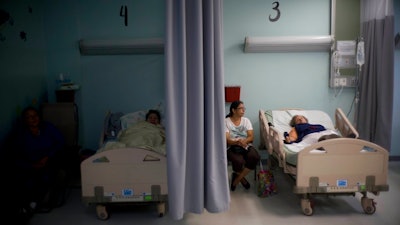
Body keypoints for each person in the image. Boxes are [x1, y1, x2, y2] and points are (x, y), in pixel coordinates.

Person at [13, 106, 67, 213]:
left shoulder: (47, 127)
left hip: (49, 159)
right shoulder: (21, 135)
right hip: (31, 164)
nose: (33, 118)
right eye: (29, 117)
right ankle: (28, 204)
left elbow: (60, 142)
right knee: (27, 178)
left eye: (35, 115)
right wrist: (32, 165)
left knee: (47, 174)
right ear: (24, 120)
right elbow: (16, 155)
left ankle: (36, 201)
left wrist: (47, 157)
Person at [225, 100, 260, 191]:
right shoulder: (226, 121)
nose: (243, 110)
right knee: (238, 161)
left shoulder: (246, 120)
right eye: (241, 108)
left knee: (254, 157)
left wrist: (244, 141)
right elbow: (227, 139)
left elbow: (251, 137)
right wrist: (237, 142)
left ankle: (237, 178)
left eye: (244, 108)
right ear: (233, 110)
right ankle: (241, 179)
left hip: (245, 145)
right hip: (232, 146)